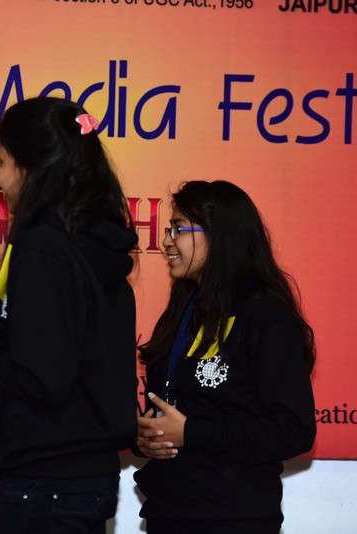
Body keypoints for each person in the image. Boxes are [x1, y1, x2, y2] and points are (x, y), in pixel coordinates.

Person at [0, 96, 139, 533]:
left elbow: (43, 378)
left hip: (48, 478)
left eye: (0, 162)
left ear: (29, 165)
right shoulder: (92, 240)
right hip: (83, 474)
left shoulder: (43, 246)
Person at [134, 180, 316, 534]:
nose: (166, 241)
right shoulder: (181, 313)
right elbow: (175, 406)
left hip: (233, 517)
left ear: (220, 235)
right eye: (168, 229)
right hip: (169, 512)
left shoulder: (265, 317)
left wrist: (192, 432)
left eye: (178, 229)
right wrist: (145, 436)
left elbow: (293, 430)